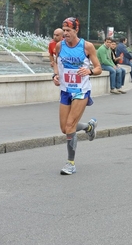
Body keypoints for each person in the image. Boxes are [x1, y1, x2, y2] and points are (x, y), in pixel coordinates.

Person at [52, 17, 102, 175]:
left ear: (76, 30)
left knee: (70, 126)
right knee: (64, 128)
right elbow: (57, 66)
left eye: (68, 31)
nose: (64, 33)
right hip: (66, 91)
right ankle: (89, 127)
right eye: (63, 30)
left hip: (81, 91)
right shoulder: (59, 46)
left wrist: (90, 71)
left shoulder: (87, 46)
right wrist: (55, 76)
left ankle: (70, 163)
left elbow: (99, 68)